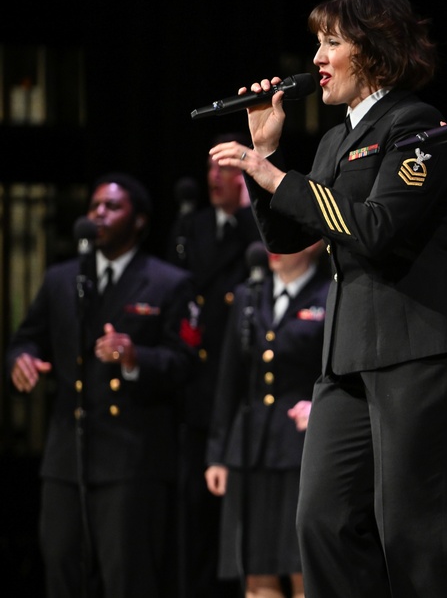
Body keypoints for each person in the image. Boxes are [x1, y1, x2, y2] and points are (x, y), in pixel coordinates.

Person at [210, 0, 447, 598]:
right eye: (317, 42)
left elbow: (377, 230)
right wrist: (267, 152)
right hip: (348, 358)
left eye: (331, 42)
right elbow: (288, 238)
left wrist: (272, 174)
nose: (317, 57)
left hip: (417, 349)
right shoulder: (338, 138)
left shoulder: (414, 122)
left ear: (376, 50)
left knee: (413, 537)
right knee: (322, 523)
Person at [6, 173, 197, 598]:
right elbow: (26, 337)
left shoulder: (167, 282)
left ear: (140, 221)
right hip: (65, 457)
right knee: (61, 569)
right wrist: (20, 360)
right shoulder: (62, 278)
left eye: (112, 207)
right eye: (94, 206)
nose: (99, 214)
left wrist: (134, 357)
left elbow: (185, 363)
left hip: (131, 458)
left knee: (127, 577)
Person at [167, 130, 262, 598]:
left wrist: (247, 208)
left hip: (244, 379)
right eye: (210, 168)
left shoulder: (256, 223)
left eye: (225, 167)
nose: (215, 177)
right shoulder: (192, 228)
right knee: (194, 514)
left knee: (243, 519)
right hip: (199, 386)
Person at [204, 241, 328, 598]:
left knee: (301, 568)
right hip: (249, 447)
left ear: (314, 245)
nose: (273, 244)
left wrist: (320, 406)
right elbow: (229, 380)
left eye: (286, 236)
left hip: (300, 447)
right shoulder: (249, 294)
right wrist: (217, 454)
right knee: (256, 572)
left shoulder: (330, 292)